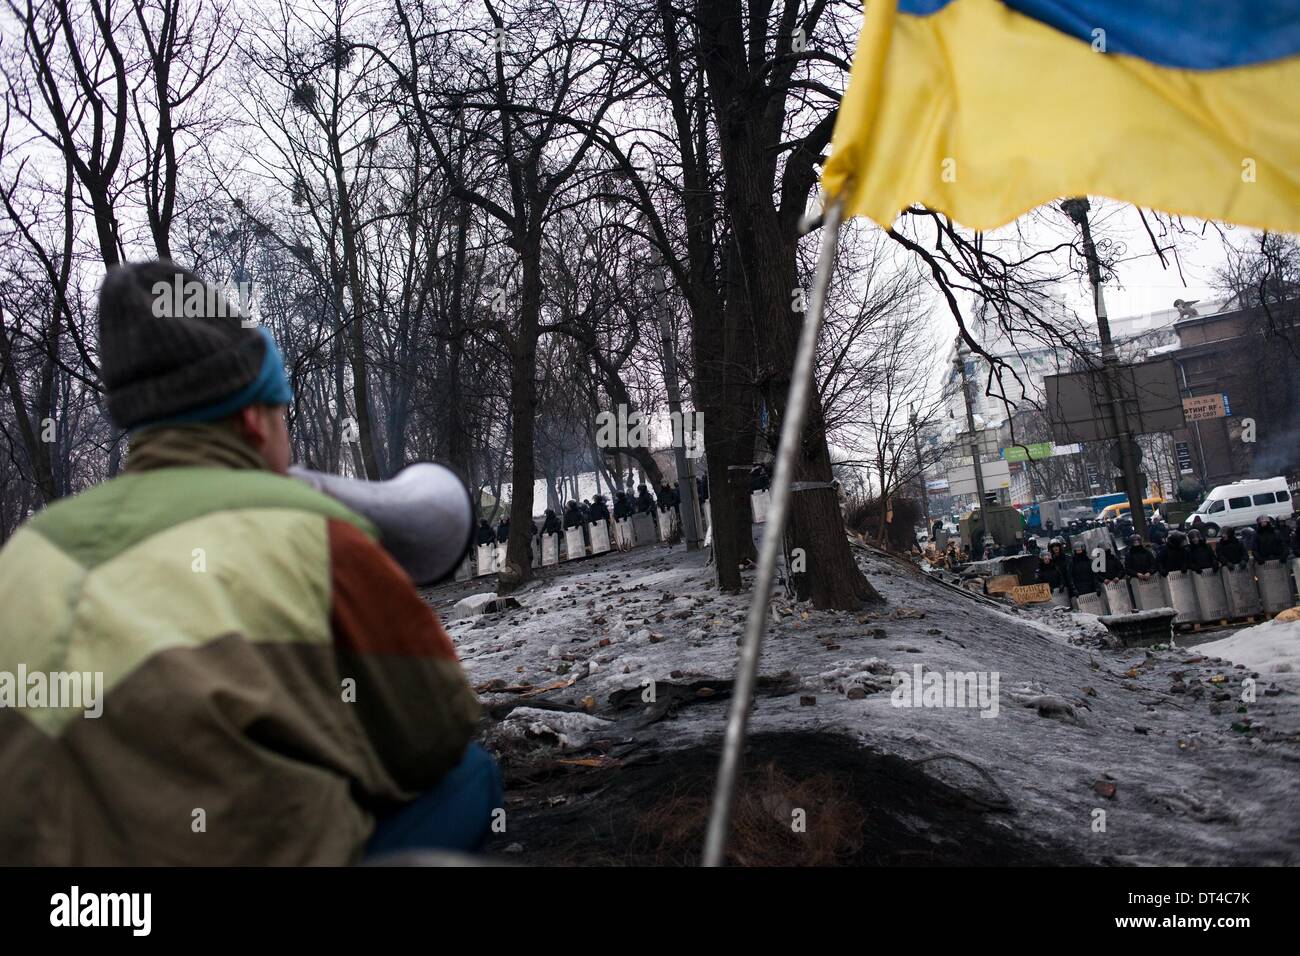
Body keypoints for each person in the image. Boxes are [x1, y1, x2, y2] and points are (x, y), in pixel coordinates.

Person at [0, 260, 494, 864]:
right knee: (471, 774)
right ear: (255, 419)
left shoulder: (29, 547)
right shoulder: (311, 534)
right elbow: (434, 733)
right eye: (284, 413)